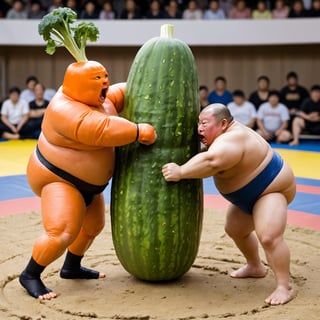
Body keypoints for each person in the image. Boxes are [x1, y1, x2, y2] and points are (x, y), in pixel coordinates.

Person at [19, 60, 157, 300]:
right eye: (97, 79)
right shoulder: (63, 109)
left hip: (90, 185)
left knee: (92, 227)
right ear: (78, 85)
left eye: (105, 76)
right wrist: (137, 131)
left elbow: (123, 92)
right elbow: (99, 129)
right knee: (61, 232)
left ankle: (71, 267)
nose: (105, 82)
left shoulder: (100, 100)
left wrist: (147, 84)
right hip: (59, 178)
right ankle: (30, 274)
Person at [162, 104, 296, 305]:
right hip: (247, 196)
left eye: (204, 123)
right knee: (235, 229)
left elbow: (212, 161)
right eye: (199, 123)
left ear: (223, 123)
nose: (199, 128)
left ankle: (284, 286)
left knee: (269, 237)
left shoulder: (232, 139)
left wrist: (180, 172)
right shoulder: (219, 137)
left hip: (270, 189)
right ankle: (255, 266)